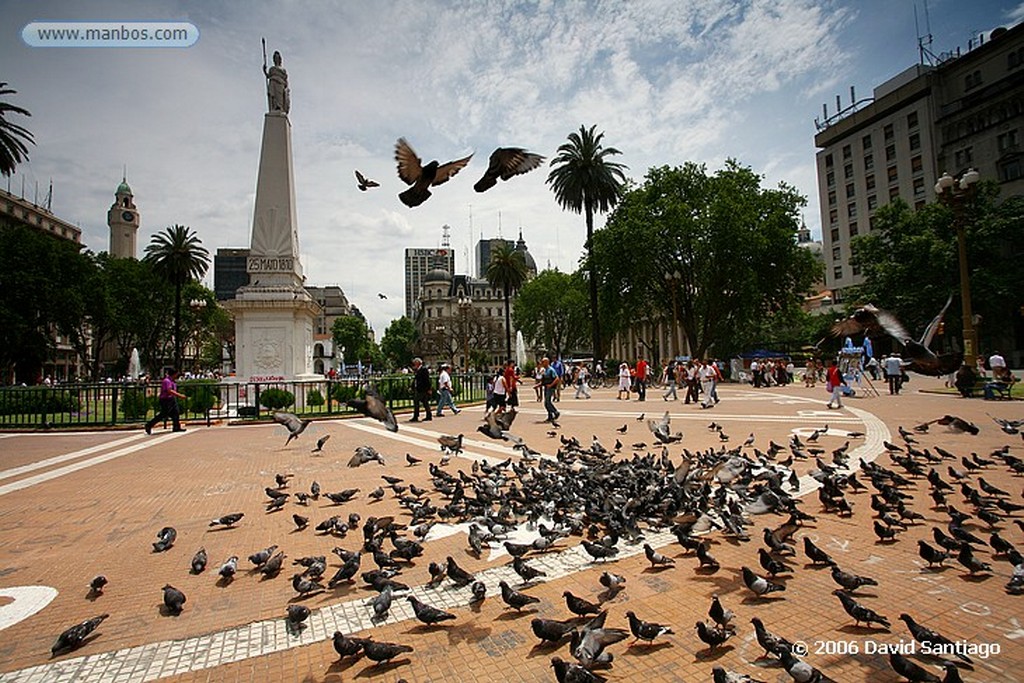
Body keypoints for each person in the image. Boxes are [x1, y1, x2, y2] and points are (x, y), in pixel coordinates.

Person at [145, 368, 186, 434]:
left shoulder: (172, 381)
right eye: (176, 374)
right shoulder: (167, 381)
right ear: (174, 374)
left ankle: (176, 427)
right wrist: (180, 395)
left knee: (176, 412)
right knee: (163, 414)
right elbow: (169, 391)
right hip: (166, 400)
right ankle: (149, 425)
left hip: (171, 399)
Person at [263, 49, 290, 114]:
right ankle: (274, 108)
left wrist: (286, 88)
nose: (276, 59)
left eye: (277, 58)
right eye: (275, 58)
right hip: (272, 83)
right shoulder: (271, 69)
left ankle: (280, 108)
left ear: (280, 59)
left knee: (279, 97)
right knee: (273, 97)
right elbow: (268, 76)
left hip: (280, 84)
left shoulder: (283, 70)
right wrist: (264, 70)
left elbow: (285, 79)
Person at [410, 358, 432, 422]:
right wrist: (412, 386)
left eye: (415, 362)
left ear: (418, 363)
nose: (414, 364)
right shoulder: (418, 370)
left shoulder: (424, 369)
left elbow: (427, 380)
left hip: (422, 389)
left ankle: (416, 416)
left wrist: (428, 388)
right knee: (425, 403)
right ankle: (428, 415)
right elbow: (416, 380)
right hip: (419, 388)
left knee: (416, 402)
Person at [540, 357, 561, 422]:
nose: (542, 363)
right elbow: (544, 380)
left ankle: (556, 412)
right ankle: (550, 416)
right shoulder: (544, 370)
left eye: (543, 362)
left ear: (547, 362)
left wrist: (551, 385)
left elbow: (557, 378)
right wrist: (538, 385)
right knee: (546, 403)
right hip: (546, 387)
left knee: (548, 402)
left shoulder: (551, 370)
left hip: (550, 388)